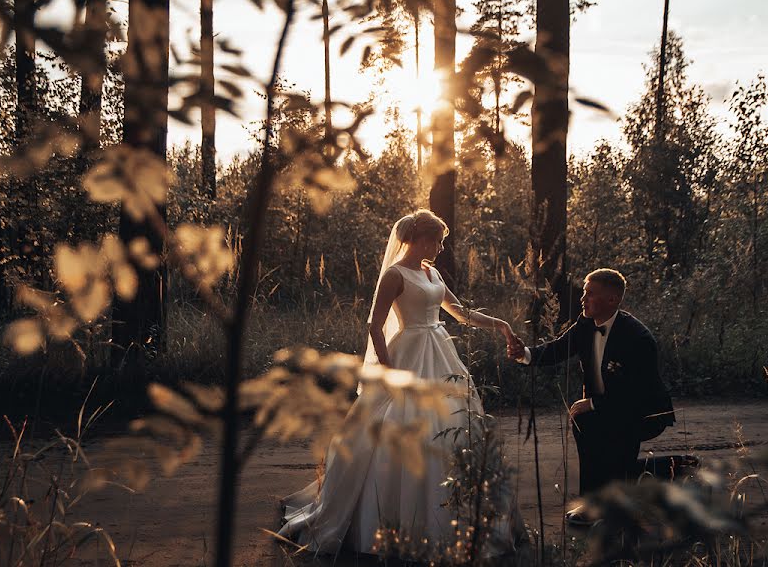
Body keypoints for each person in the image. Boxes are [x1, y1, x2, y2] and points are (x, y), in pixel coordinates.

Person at [279, 209, 523, 555]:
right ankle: (389, 519)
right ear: (421, 239)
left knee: (451, 424)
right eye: (438, 241)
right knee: (400, 423)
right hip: (408, 353)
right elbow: (375, 326)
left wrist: (500, 324)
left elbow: (461, 313)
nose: (441, 247)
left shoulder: (431, 271)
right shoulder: (394, 275)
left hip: (439, 352)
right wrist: (389, 370)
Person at [508, 268, 675, 526]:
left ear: (612, 300)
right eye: (584, 293)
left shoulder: (638, 338)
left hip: (640, 411)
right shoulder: (585, 324)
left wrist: (594, 403)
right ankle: (591, 505)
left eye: (590, 294)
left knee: (616, 456)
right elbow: (557, 350)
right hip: (604, 409)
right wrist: (524, 354)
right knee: (587, 430)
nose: (583, 299)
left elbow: (636, 393)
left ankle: (661, 473)